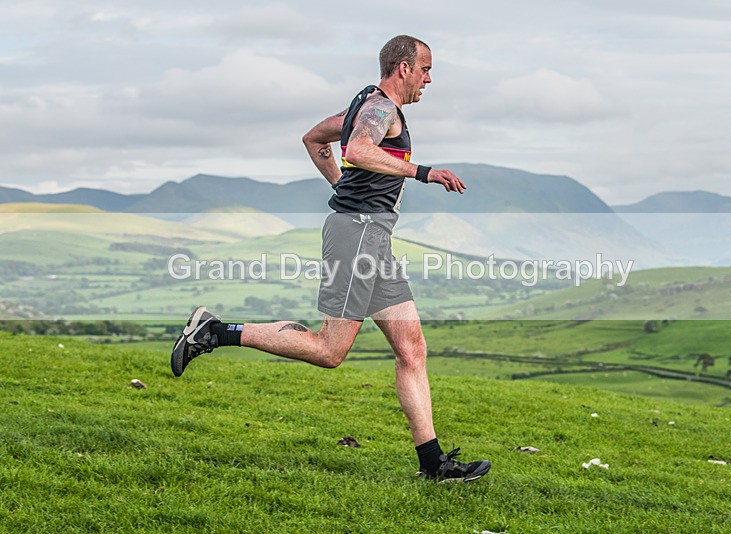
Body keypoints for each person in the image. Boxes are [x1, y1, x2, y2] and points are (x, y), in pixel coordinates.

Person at [171, 35, 491, 483]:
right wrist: (424, 172)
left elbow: (314, 138)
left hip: (372, 240)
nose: (428, 79)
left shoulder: (363, 107)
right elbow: (358, 149)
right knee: (329, 350)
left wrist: (342, 185)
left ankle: (433, 463)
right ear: (403, 68)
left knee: (412, 349)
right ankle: (214, 331)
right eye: (425, 69)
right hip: (357, 236)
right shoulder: (381, 110)